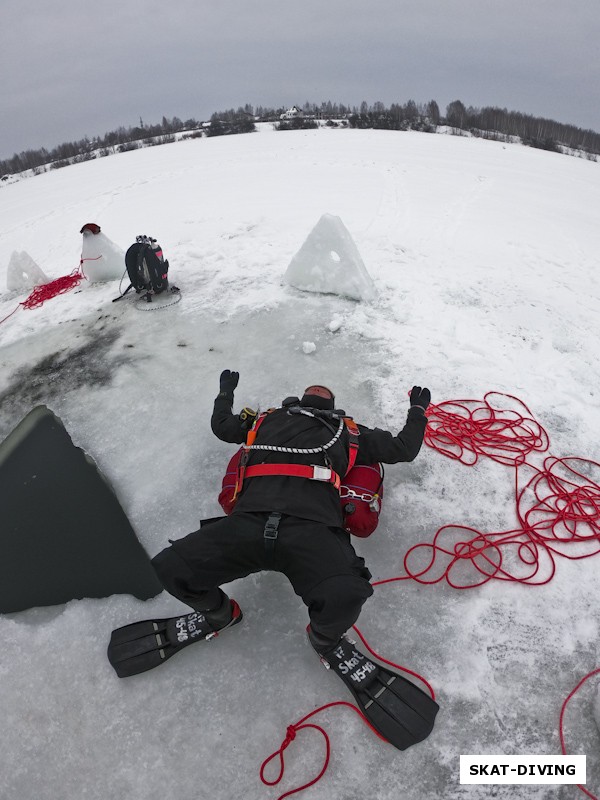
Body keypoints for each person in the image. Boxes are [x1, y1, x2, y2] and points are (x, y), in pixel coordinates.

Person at [150, 370, 431, 656]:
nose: (320, 388)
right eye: (315, 387)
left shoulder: (348, 431)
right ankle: (221, 614)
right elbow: (222, 426)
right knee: (170, 569)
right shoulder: (264, 419)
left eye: (325, 390)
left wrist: (418, 411)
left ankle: (323, 638)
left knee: (346, 595)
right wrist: (225, 392)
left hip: (311, 526)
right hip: (249, 519)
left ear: (333, 405)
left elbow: (404, 448)